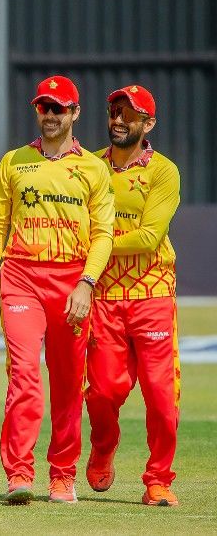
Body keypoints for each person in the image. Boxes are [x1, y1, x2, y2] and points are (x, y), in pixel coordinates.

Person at [0, 75, 114, 504]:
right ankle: (18, 472)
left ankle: (62, 474)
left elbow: (104, 235)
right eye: (44, 107)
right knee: (24, 375)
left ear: (75, 113)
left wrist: (86, 284)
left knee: (69, 382)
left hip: (72, 281)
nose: (50, 116)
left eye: (59, 108)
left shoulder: (94, 168)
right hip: (20, 277)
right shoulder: (13, 162)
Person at [85, 85, 181, 507]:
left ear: (149, 124)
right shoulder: (87, 167)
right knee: (104, 392)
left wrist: (96, 241)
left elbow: (149, 236)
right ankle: (104, 447)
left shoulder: (163, 171)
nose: (119, 120)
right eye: (114, 111)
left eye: (129, 114)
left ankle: (158, 479)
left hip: (152, 293)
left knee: (162, 399)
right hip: (103, 296)